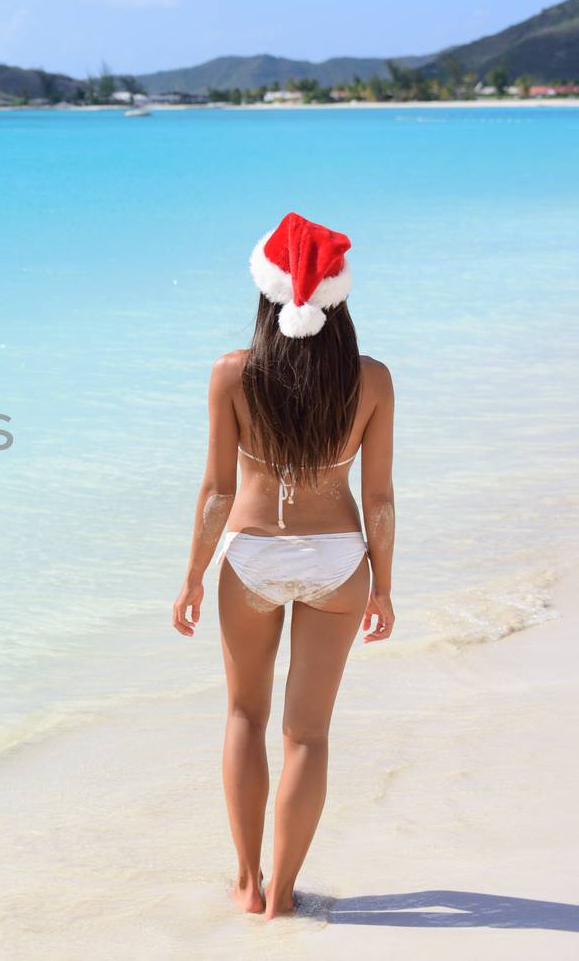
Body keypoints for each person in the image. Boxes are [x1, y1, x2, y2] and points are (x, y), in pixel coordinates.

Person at [170, 212, 396, 919]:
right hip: (338, 560)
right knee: (309, 734)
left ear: (267, 295)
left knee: (244, 713)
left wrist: (193, 576)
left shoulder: (233, 373)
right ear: (339, 299)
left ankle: (247, 882)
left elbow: (218, 492)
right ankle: (286, 893)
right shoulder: (372, 380)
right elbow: (380, 498)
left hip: (253, 557)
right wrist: (383, 586)